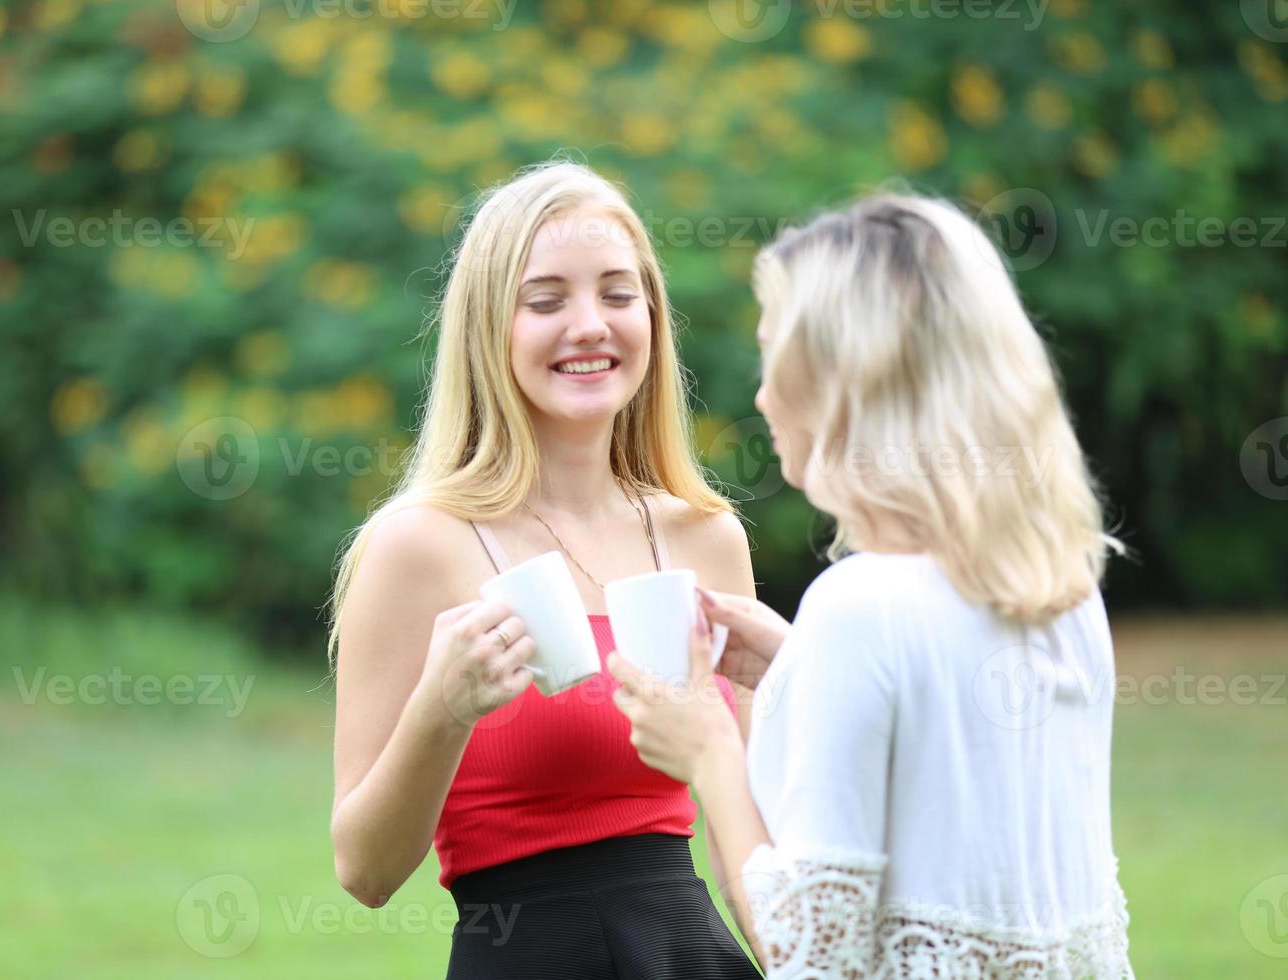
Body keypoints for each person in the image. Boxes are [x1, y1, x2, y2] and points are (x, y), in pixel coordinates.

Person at [610, 193, 1134, 978]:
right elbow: (959, 817)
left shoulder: (859, 608)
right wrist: (796, 669)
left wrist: (710, 750)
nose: (761, 397)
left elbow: (816, 959)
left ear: (841, 382)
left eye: (772, 358)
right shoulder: (1064, 594)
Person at [328, 161, 763, 978]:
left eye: (618, 293)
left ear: (653, 318)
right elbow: (365, 871)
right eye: (547, 300)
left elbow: (756, 833)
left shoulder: (705, 538)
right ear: (490, 330)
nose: (591, 324)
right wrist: (442, 710)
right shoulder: (417, 546)